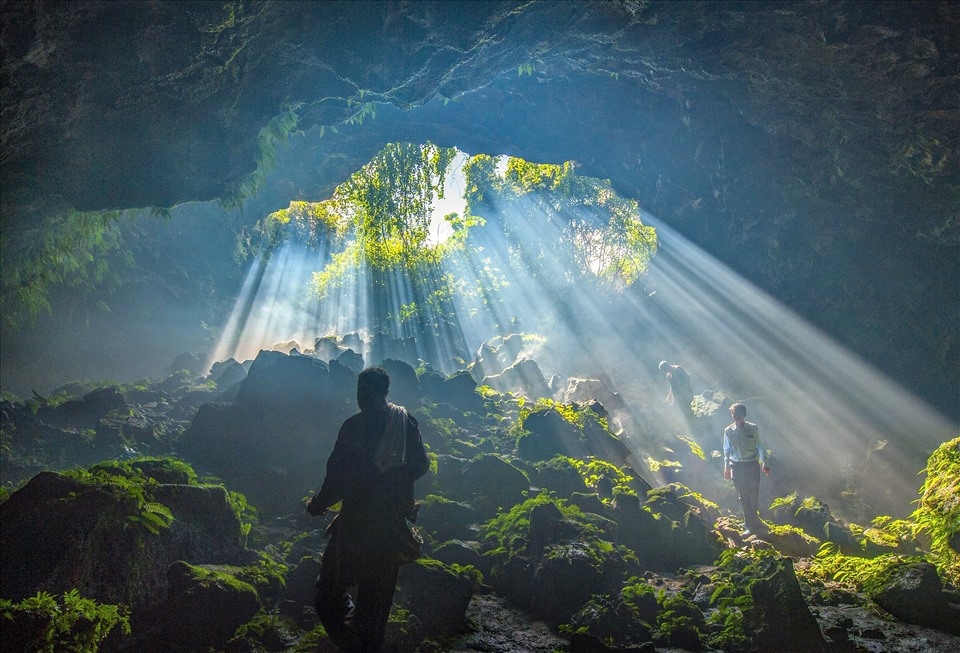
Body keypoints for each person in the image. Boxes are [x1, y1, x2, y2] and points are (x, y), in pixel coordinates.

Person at [307, 366, 430, 652]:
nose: (360, 397)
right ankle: (362, 643)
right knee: (375, 607)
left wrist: (318, 505)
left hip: (355, 526)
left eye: (363, 391)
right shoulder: (405, 421)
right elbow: (421, 465)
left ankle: (352, 642)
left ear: (369, 392)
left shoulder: (354, 426)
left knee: (328, 592)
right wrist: (395, 482)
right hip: (390, 528)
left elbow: (336, 478)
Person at [722, 402, 770, 536]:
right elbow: (726, 450)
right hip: (736, 466)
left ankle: (754, 519)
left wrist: (764, 463)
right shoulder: (728, 431)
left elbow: (761, 446)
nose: (735, 416)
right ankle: (749, 525)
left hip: (752, 464)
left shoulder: (753, 429)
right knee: (742, 496)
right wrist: (726, 467)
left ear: (743, 415)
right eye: (733, 413)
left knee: (753, 494)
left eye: (737, 413)